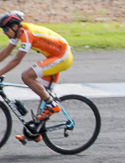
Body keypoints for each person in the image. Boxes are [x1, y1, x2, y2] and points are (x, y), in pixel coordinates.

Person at [0, 11, 73, 143]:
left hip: (62, 56)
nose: (4, 32)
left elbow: (16, 60)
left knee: (27, 76)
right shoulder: (19, 33)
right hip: (53, 57)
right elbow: (6, 52)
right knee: (43, 94)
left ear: (15, 26)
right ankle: (35, 131)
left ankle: (53, 105)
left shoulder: (27, 34)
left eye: (5, 29)